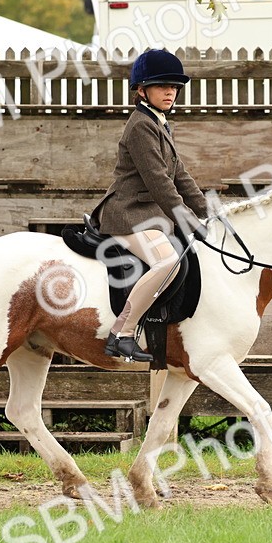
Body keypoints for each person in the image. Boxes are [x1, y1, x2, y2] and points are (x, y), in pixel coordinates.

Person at [91, 49, 209, 362]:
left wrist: (209, 212)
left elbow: (180, 175)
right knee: (168, 262)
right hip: (127, 214)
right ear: (142, 90)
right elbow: (159, 182)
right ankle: (123, 332)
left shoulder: (160, 124)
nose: (171, 91)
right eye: (162, 86)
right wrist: (186, 218)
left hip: (149, 215)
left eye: (175, 86)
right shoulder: (141, 126)